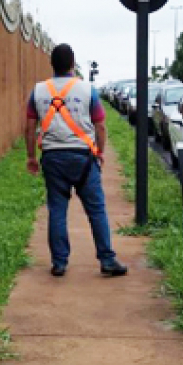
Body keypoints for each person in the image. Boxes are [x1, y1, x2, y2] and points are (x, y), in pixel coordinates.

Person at [25, 44, 127, 278]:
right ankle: (107, 260)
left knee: (57, 210)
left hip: (52, 157)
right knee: (96, 210)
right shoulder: (87, 89)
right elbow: (100, 125)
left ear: (52, 64)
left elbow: (29, 127)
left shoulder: (38, 91)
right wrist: (100, 152)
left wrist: (31, 156)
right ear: (72, 64)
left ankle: (59, 263)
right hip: (83, 158)